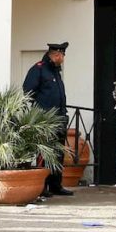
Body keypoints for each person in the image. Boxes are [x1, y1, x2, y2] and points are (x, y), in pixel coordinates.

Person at [23, 41, 73, 196]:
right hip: (44, 120)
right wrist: (39, 112)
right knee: (43, 153)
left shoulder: (55, 72)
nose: (63, 59)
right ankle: (42, 187)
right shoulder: (38, 69)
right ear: (56, 55)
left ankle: (55, 185)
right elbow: (28, 91)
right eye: (62, 55)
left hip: (59, 119)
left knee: (57, 153)